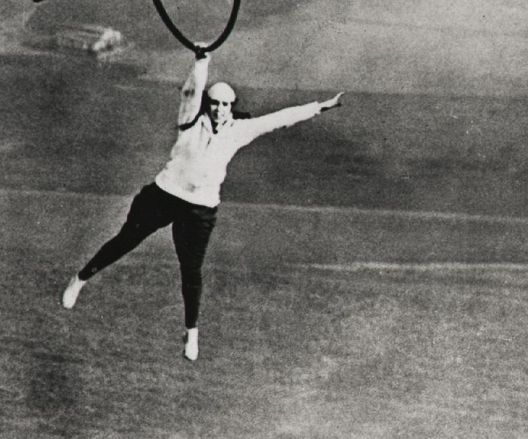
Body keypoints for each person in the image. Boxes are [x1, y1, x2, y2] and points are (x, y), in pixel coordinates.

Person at [61, 52, 342, 361]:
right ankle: (80, 280)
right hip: (164, 194)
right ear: (208, 104)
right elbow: (190, 93)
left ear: (232, 106)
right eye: (215, 103)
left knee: (191, 270)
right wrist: (201, 63)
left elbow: (278, 119)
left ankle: (191, 332)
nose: (220, 109)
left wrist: (320, 107)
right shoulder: (189, 120)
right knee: (126, 241)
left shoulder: (239, 130)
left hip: (200, 208)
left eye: (225, 104)